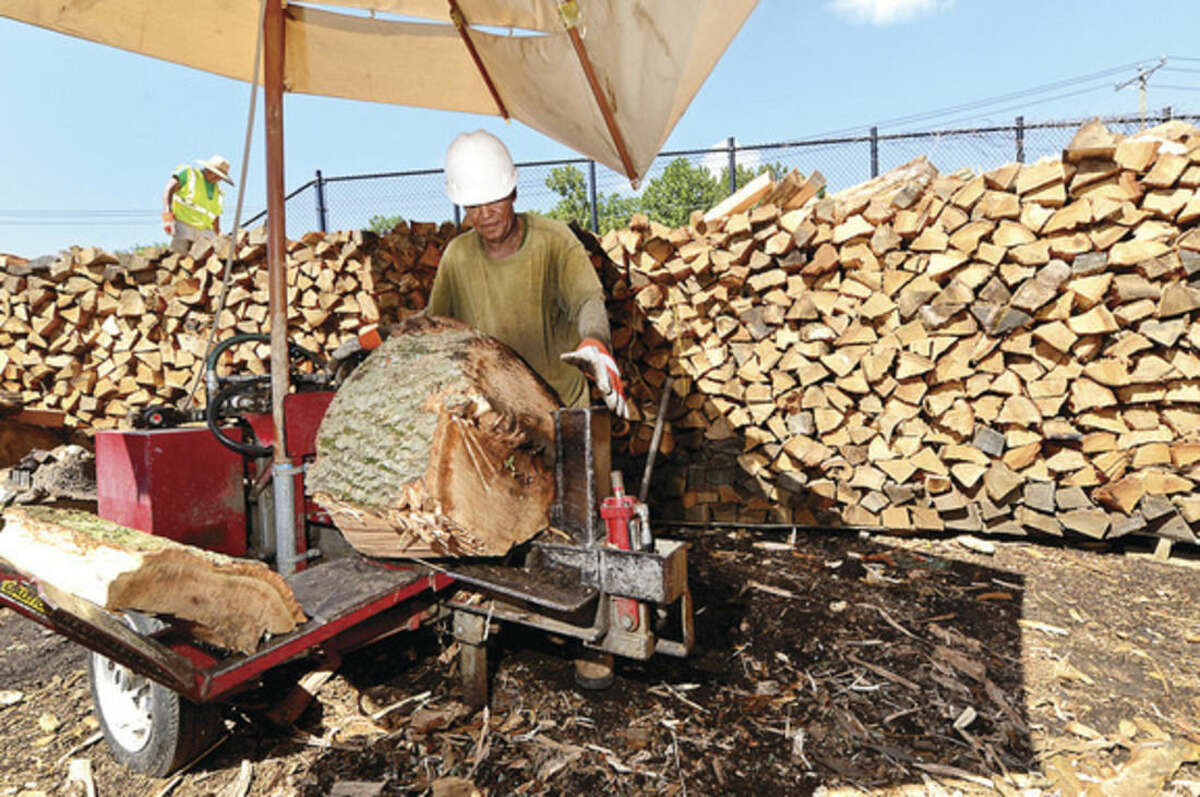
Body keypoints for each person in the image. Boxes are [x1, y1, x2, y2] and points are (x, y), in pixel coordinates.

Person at [425, 130, 629, 418]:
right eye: (473, 206)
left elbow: (586, 299)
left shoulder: (554, 240)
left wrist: (595, 340)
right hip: (495, 411)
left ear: (513, 193)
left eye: (494, 200)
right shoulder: (457, 255)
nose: (485, 214)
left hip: (560, 407)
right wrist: (381, 337)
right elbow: (435, 322)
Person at [162, 155, 233, 253]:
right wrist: (168, 214)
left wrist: (219, 235)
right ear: (208, 169)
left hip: (206, 232)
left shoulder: (219, 192)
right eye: (216, 175)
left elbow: (215, 218)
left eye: (220, 177)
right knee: (180, 255)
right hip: (184, 226)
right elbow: (168, 190)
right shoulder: (189, 174)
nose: (218, 179)